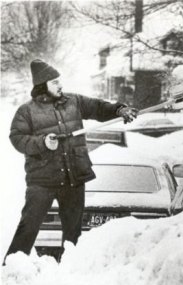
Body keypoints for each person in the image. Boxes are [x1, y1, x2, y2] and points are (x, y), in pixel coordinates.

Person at [5, 59, 138, 261]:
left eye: (60, 81)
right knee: (28, 227)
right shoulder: (27, 111)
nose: (60, 85)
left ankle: (69, 270)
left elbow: (99, 108)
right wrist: (42, 143)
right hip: (42, 181)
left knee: (73, 235)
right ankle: (11, 267)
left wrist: (120, 110)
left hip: (73, 178)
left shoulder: (74, 101)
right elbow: (16, 138)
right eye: (55, 82)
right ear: (43, 85)